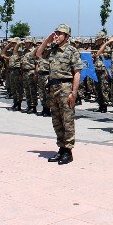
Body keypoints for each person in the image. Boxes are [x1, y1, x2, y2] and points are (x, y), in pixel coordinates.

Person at [35, 24, 83, 165]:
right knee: (56, 120)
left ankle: (68, 151)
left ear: (67, 37)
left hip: (65, 87)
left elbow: (77, 73)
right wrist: (48, 40)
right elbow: (38, 53)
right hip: (53, 87)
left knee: (67, 120)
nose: (56, 35)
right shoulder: (52, 50)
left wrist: (74, 93)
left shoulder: (72, 51)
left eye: (59, 34)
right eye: (55, 33)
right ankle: (61, 148)